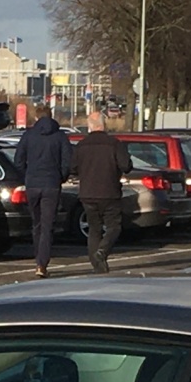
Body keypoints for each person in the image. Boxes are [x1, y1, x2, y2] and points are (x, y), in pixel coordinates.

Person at [15, 103, 74, 275]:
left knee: (37, 224)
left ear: (36, 117)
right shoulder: (60, 136)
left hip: (32, 184)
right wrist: (60, 177)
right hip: (51, 184)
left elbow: (19, 160)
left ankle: (38, 260)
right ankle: (42, 263)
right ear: (51, 115)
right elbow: (67, 162)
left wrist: (27, 176)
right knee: (48, 226)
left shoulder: (28, 136)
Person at [73, 105, 126, 273]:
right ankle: (102, 252)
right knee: (114, 227)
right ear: (104, 125)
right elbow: (126, 165)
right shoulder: (114, 144)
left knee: (94, 228)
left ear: (90, 126)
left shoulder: (81, 145)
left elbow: (72, 167)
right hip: (110, 191)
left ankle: (98, 265)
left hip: (87, 193)